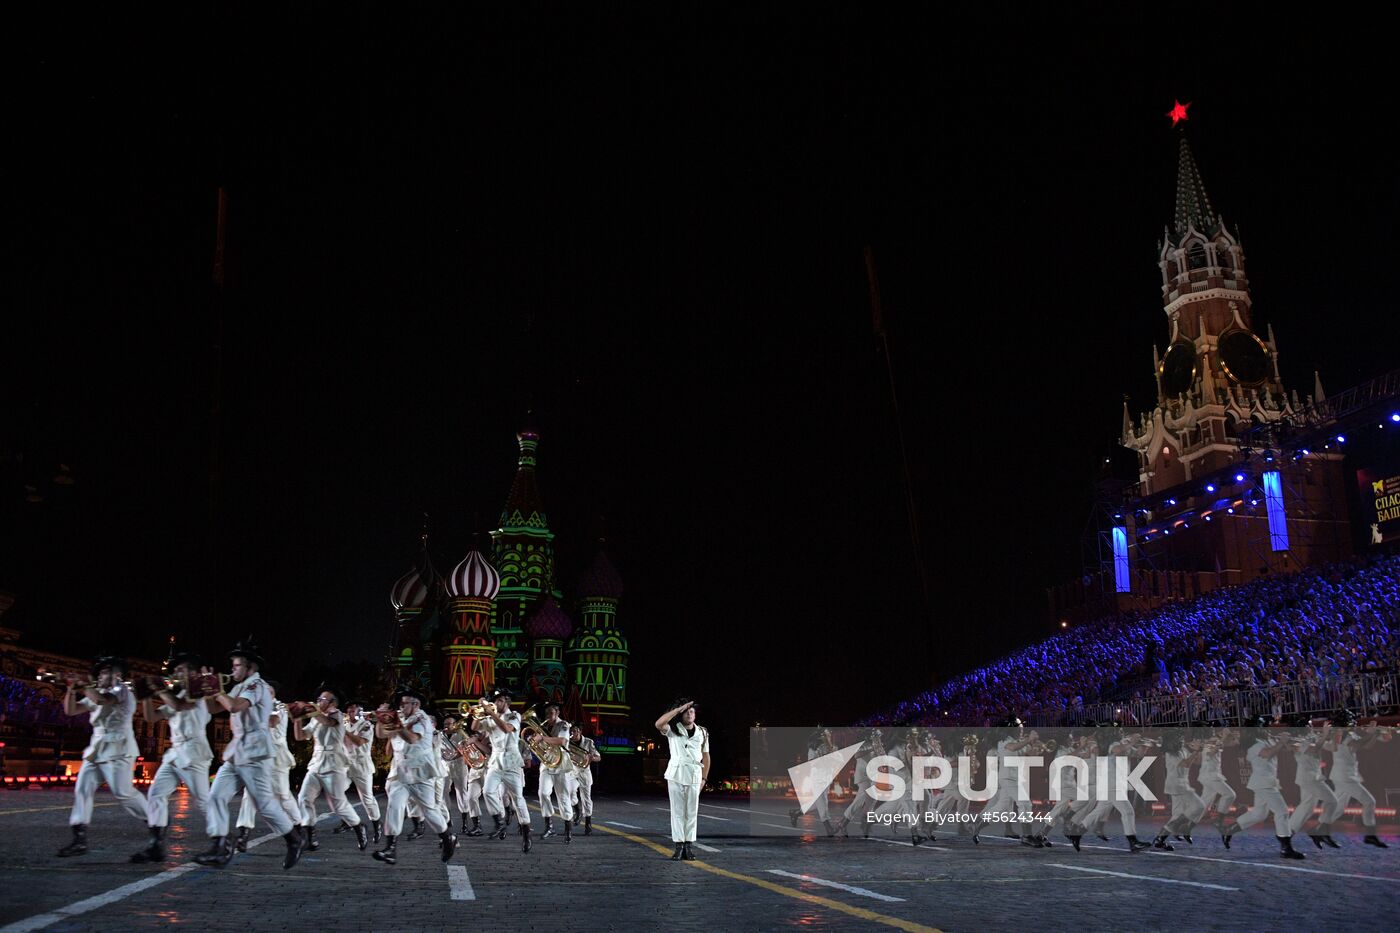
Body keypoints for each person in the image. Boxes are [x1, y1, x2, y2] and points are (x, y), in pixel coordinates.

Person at [193, 639, 306, 870]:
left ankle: (294, 839)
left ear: (250, 667)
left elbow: (234, 707)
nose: (232, 669)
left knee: (265, 804)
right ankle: (220, 846)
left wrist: (216, 689)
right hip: (237, 750)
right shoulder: (239, 687)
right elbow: (215, 708)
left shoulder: (257, 686)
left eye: (236, 665)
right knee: (215, 796)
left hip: (255, 752)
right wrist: (203, 691)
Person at [58, 656, 148, 856]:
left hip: (119, 748)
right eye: (98, 673)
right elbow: (71, 710)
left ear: (117, 675)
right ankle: (79, 839)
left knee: (123, 792)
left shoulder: (122, 691)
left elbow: (101, 701)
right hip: (97, 748)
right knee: (83, 788)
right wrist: (71, 690)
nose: (99, 676)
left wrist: (83, 685)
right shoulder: (96, 692)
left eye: (105, 672)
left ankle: (155, 820)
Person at [131, 652, 213, 863]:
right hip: (175, 753)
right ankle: (155, 845)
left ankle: (221, 840)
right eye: (174, 671)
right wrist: (146, 695)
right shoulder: (177, 694)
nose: (176, 674)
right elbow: (151, 717)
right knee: (156, 794)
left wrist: (159, 689)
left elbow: (178, 705)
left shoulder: (199, 691)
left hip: (194, 752)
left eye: (180, 670)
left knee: (203, 800)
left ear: (193, 673)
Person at [371, 689, 456, 865]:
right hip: (400, 771)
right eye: (400, 703)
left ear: (416, 704)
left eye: (404, 703)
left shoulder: (422, 719)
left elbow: (411, 739)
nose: (401, 706)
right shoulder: (401, 717)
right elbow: (380, 734)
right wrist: (381, 717)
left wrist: (395, 723)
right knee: (394, 806)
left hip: (420, 771)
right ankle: (391, 849)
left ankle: (448, 837)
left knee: (429, 810)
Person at [292, 685, 365, 851]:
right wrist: (297, 718)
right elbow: (300, 736)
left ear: (333, 703)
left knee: (338, 804)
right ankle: (310, 837)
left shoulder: (337, 715)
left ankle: (358, 826)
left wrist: (309, 710)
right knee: (304, 797)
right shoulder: (315, 718)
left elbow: (327, 722)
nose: (318, 701)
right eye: (318, 699)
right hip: (316, 762)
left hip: (334, 763)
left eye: (322, 699)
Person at [232, 679, 301, 852]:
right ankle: (243, 833)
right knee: (249, 794)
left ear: (273, 693)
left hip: (277, 755)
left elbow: (273, 721)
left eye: (267, 691)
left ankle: (299, 826)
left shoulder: (279, 706)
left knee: (282, 795)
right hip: (258, 753)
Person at [1221, 715, 1304, 859]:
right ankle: (1286, 847)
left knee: (1259, 814)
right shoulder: (1253, 745)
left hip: (1268, 782)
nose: (1267, 729)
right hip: (1263, 783)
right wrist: (1281, 742)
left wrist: (1290, 741)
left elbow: (1284, 749)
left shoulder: (1266, 740)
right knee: (1282, 811)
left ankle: (1229, 829)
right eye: (1264, 727)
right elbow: (1267, 754)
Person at [474, 687, 533, 851]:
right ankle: (499, 823)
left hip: (511, 760)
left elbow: (507, 729)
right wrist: (478, 711)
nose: (496, 703)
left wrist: (491, 714)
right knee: (487, 791)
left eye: (499, 700)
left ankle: (526, 834)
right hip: (495, 760)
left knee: (518, 799)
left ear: (507, 702)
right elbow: (474, 726)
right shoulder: (489, 716)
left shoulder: (514, 715)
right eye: (494, 700)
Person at [1323, 709, 1390, 848]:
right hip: (1345, 777)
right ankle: (1370, 835)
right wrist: (1370, 733)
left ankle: (1320, 830)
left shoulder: (1348, 734)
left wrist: (1374, 734)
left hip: (1346, 776)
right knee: (1369, 801)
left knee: (1338, 809)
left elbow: (1367, 746)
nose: (1353, 724)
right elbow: (1357, 744)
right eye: (1350, 721)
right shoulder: (1339, 734)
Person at [656, 698, 709, 861]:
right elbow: (659, 723)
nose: (689, 714)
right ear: (681, 714)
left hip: (694, 775)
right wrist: (678, 709)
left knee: (692, 812)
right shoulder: (673, 729)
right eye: (686, 712)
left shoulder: (703, 732)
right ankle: (679, 846)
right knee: (678, 812)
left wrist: (704, 778)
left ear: (695, 715)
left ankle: (688, 846)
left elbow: (706, 757)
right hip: (676, 774)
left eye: (691, 711)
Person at [335, 701, 382, 842]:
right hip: (346, 764)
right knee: (336, 792)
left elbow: (359, 742)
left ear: (360, 711)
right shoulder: (344, 725)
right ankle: (348, 820)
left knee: (367, 798)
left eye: (354, 710)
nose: (350, 712)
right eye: (349, 709)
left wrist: (344, 731)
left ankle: (377, 825)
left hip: (362, 765)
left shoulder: (366, 725)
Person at [535, 701, 576, 841]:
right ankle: (549, 827)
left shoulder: (563, 724)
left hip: (561, 764)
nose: (548, 715)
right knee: (543, 793)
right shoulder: (544, 726)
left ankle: (568, 828)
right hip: (547, 763)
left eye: (551, 713)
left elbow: (562, 741)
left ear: (557, 713)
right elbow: (541, 745)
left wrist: (542, 738)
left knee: (563, 796)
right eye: (547, 713)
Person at [570, 722, 601, 835]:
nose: (572, 733)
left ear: (579, 731)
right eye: (571, 731)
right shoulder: (566, 741)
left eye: (574, 731)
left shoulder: (588, 742)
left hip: (584, 772)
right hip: (572, 771)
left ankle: (588, 823)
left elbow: (598, 757)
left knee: (586, 798)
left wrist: (591, 757)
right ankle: (577, 809)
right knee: (569, 791)